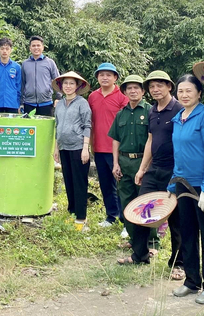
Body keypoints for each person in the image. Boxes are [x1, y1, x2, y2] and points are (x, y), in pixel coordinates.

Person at [118, 71, 185, 280]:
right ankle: (140, 254)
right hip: (154, 169)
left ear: (169, 87)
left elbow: (185, 141)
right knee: (140, 210)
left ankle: (178, 263)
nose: (156, 90)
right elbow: (150, 141)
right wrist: (142, 168)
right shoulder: (153, 111)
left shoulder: (179, 109)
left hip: (175, 171)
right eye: (153, 86)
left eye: (160, 86)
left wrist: (181, 171)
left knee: (176, 218)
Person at [167, 74, 204, 305]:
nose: (184, 95)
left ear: (199, 93)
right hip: (182, 185)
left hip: (202, 186)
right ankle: (191, 280)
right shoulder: (178, 117)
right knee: (186, 232)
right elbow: (178, 154)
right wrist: (172, 184)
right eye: (181, 91)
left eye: (189, 90)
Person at [109, 75, 151, 241]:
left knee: (146, 201)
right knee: (126, 199)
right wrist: (115, 163)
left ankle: (151, 239)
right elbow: (116, 140)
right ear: (125, 91)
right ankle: (133, 236)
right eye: (129, 88)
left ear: (142, 91)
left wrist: (148, 165)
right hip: (124, 162)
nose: (133, 91)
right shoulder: (121, 114)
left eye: (136, 88)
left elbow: (152, 139)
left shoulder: (150, 111)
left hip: (143, 162)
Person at [88, 63, 129, 227]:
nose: (105, 78)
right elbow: (90, 121)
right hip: (98, 147)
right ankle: (111, 216)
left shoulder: (122, 97)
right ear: (97, 77)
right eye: (101, 74)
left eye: (109, 75)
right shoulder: (92, 96)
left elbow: (126, 124)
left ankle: (126, 220)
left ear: (115, 78)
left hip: (116, 149)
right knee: (105, 185)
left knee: (122, 185)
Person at [53, 71, 92, 231]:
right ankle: (72, 212)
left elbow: (87, 125)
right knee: (68, 182)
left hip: (78, 148)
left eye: (71, 83)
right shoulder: (60, 103)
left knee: (79, 183)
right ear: (61, 87)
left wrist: (85, 148)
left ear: (77, 86)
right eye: (65, 84)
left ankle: (81, 218)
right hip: (64, 148)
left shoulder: (82, 103)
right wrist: (56, 148)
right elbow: (57, 125)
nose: (68, 86)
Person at [21, 36, 60, 116]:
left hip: (46, 103)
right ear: (30, 48)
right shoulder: (25, 64)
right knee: (29, 127)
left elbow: (58, 80)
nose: (36, 48)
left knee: (45, 127)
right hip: (29, 103)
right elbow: (22, 83)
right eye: (33, 45)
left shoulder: (50, 62)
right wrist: (21, 102)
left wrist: (58, 97)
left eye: (38, 45)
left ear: (43, 47)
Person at [0, 38, 22, 113]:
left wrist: (19, 104)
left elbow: (19, 86)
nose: (4, 51)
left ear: (11, 50)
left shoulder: (16, 67)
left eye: (7, 49)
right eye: (2, 49)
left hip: (12, 103)